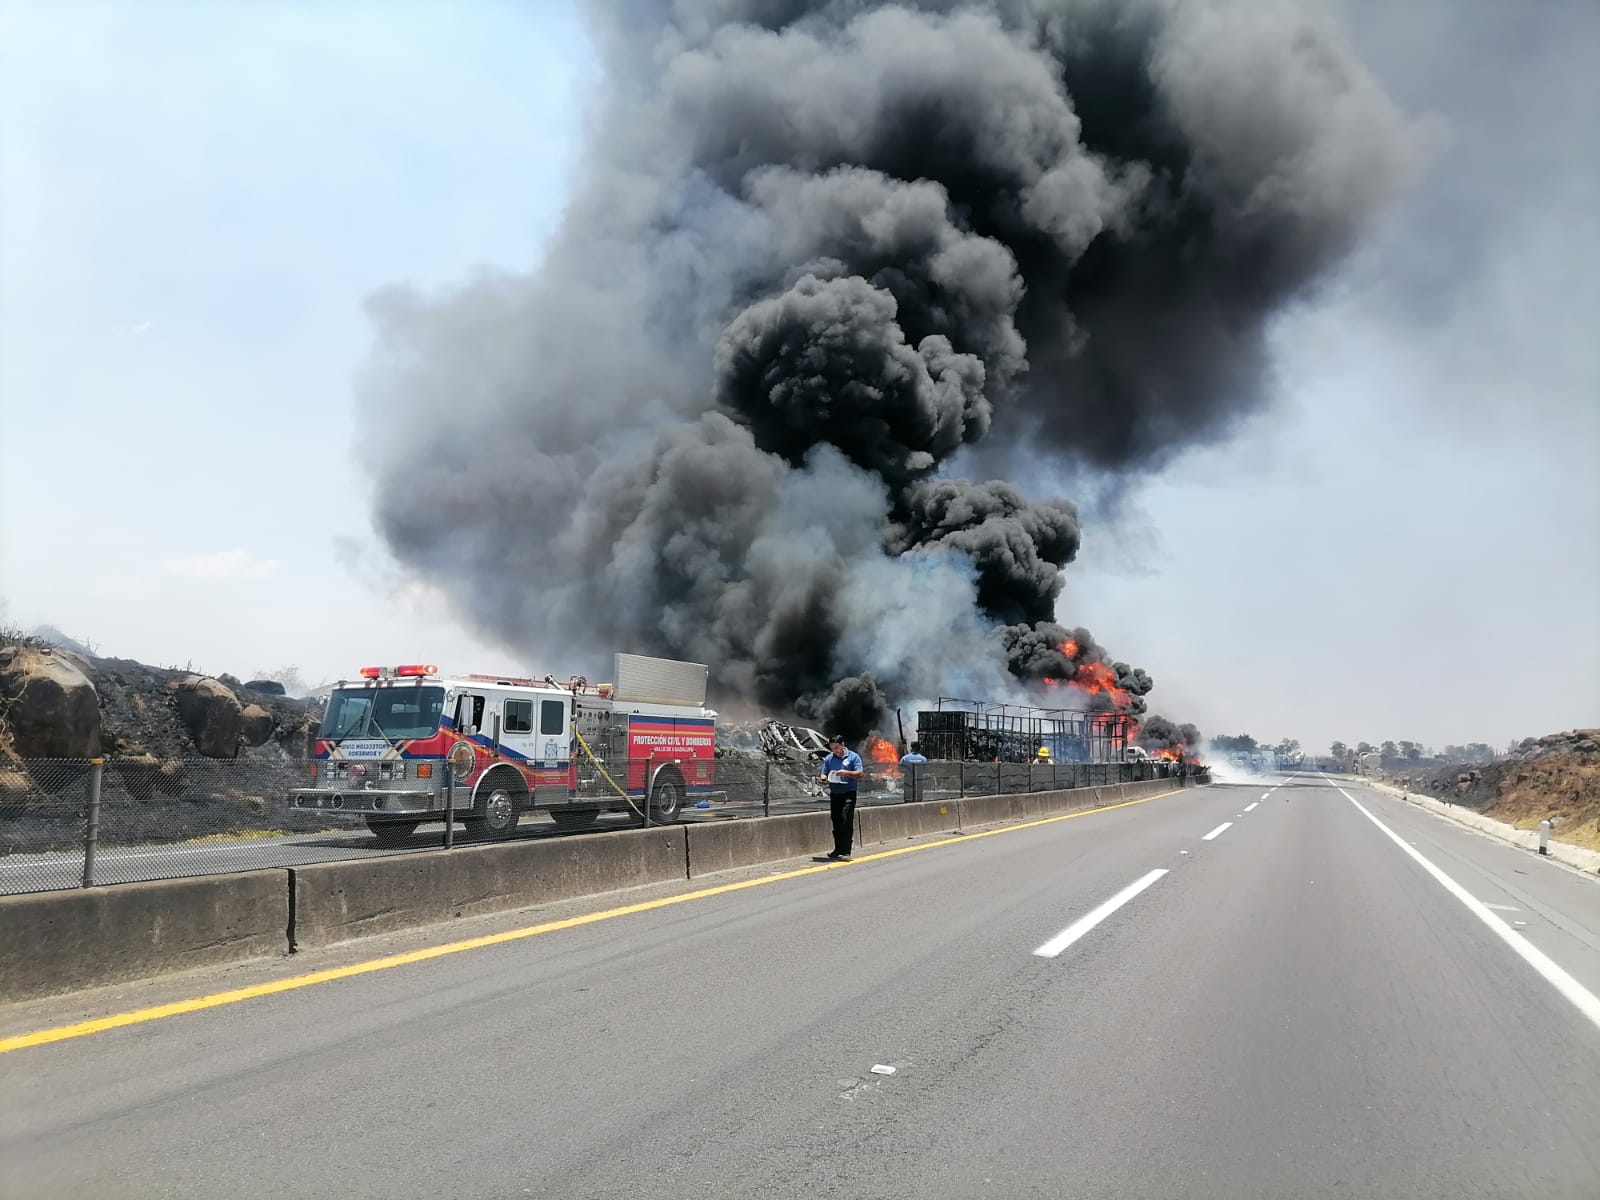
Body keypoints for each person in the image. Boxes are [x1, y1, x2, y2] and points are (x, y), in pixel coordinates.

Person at [818, 735, 864, 861]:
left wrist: (846, 773)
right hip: (835, 793)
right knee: (836, 820)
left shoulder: (853, 757)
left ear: (843, 744)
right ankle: (837, 849)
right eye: (832, 748)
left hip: (848, 792)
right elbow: (824, 772)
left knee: (846, 819)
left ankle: (846, 850)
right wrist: (823, 778)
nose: (835, 751)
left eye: (837, 747)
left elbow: (860, 773)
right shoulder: (829, 758)